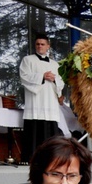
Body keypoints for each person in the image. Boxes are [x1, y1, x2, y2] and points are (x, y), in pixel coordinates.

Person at [20, 34, 65, 164]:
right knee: (34, 129)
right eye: (38, 44)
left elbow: (61, 82)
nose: (40, 46)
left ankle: (51, 159)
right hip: (35, 101)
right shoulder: (27, 60)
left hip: (50, 101)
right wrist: (42, 76)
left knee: (50, 129)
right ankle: (31, 158)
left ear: (48, 46)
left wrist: (54, 79)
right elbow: (24, 77)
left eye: (43, 44)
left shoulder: (55, 64)